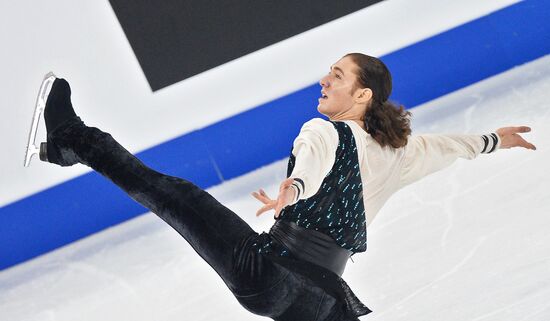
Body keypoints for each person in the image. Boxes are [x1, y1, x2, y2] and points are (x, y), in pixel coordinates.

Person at [29, 53, 536, 321]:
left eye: (336, 76)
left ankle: (71, 138)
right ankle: (64, 147)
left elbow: (313, 163)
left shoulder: (325, 129)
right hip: (321, 303)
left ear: (360, 94)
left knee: (172, 195)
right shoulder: (397, 152)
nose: (324, 80)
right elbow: (448, 147)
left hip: (268, 271)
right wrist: (494, 139)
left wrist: (290, 192)